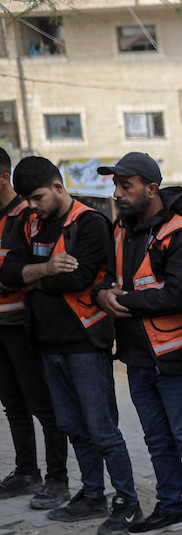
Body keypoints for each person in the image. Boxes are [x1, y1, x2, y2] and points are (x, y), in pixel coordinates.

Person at [0, 157, 139, 535]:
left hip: (84, 342)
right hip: (45, 342)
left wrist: (30, 278)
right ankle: (93, 495)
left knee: (101, 428)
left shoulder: (90, 223)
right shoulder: (30, 222)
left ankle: (126, 501)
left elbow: (77, 280)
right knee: (72, 425)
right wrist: (44, 270)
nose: (32, 205)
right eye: (27, 199)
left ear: (58, 187)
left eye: (38, 197)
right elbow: (8, 273)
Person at [90, 153, 182, 535]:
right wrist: (99, 295)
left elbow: (177, 296)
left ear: (151, 188)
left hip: (176, 356)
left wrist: (122, 300)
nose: (118, 194)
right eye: (115, 186)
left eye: (125, 186)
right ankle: (169, 508)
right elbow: (106, 281)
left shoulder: (180, 233)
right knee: (157, 439)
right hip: (137, 357)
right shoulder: (119, 230)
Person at [0, 148, 70, 509]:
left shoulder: (25, 215)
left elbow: (18, 272)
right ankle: (26, 470)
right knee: (12, 402)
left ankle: (57, 477)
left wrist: (17, 277)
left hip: (22, 323)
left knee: (42, 403)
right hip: (0, 324)